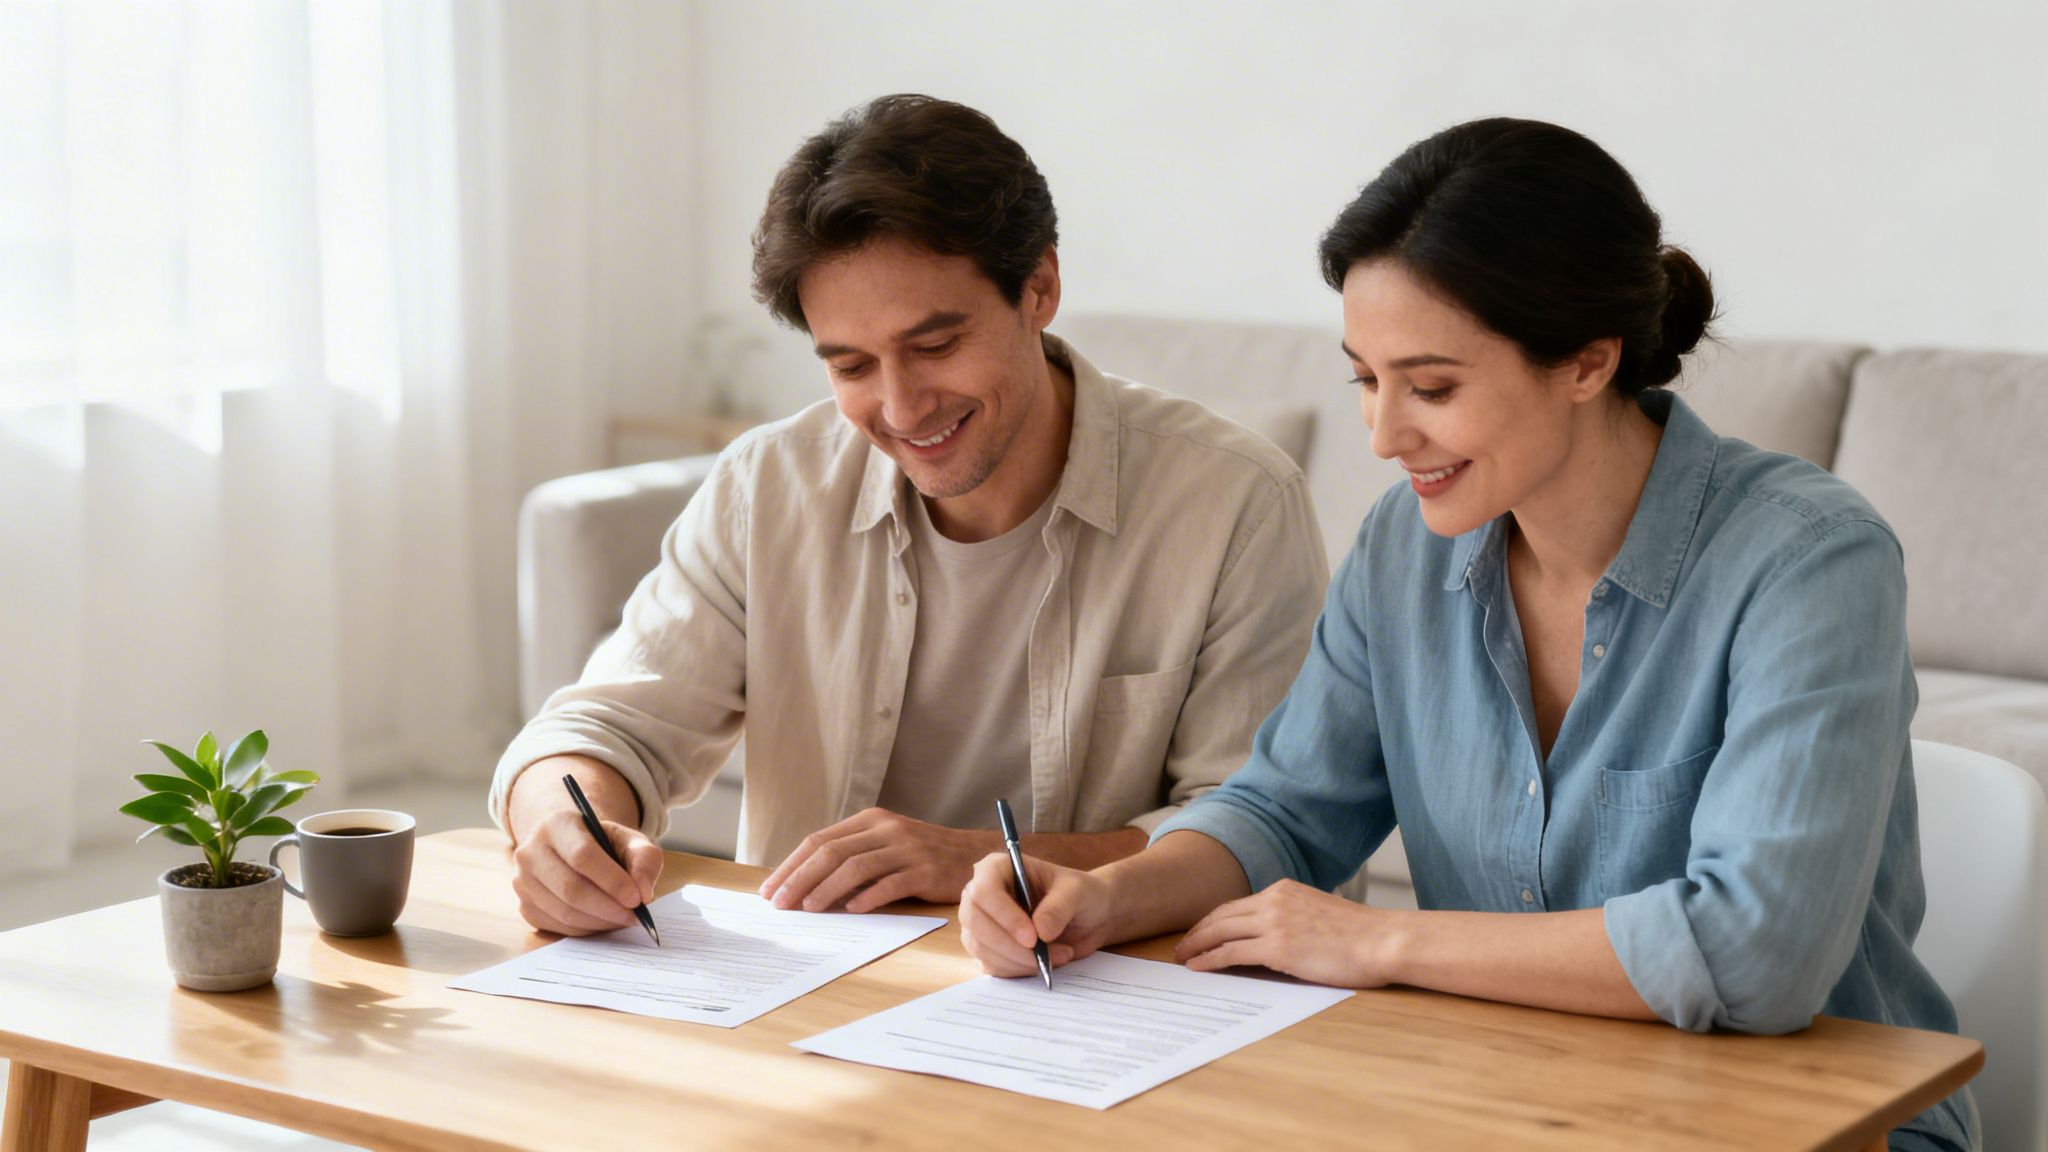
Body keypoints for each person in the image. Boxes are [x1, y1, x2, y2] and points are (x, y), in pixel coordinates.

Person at [959, 117, 1975, 1152]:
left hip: (1816, 1126)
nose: (1382, 435)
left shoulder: (1808, 561)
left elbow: (1755, 954)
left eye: (1431, 388)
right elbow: (1285, 810)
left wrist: (1381, 940)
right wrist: (1104, 898)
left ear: (1586, 360)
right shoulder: (1405, 545)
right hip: (1504, 1102)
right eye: (1365, 379)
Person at [486, 95, 1328, 938]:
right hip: (811, 995)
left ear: (1039, 288)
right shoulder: (769, 484)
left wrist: (968, 859)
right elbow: (601, 725)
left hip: (1115, 991)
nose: (901, 405)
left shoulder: (1235, 503)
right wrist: (565, 826)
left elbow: (1264, 832)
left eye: (934, 346)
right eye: (851, 365)